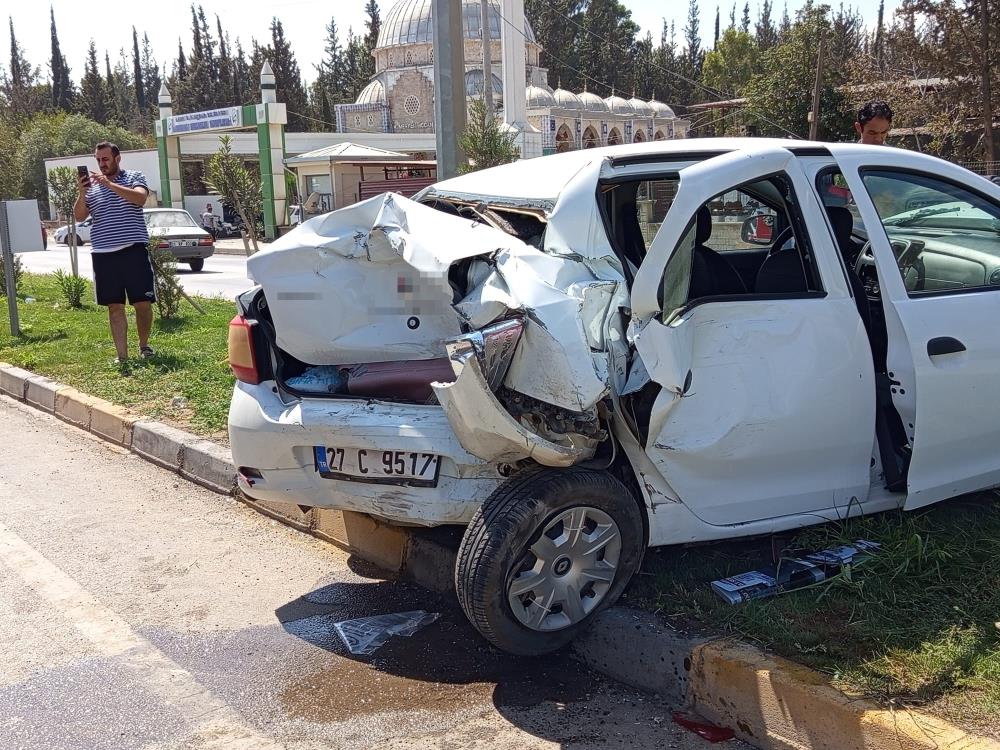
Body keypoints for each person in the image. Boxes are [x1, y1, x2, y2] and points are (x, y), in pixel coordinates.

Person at [74, 141, 155, 366]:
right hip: (103, 254)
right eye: (98, 160)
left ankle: (144, 346)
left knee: (142, 303)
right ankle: (122, 356)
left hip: (133, 251)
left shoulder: (134, 177)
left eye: (105, 159)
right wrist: (82, 193)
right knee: (114, 306)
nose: (101, 164)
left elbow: (139, 199)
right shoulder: (92, 186)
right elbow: (79, 217)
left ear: (117, 158)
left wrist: (109, 184)